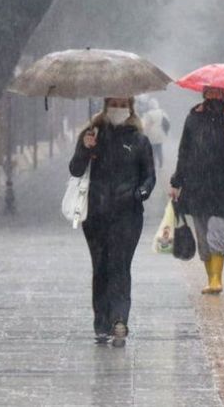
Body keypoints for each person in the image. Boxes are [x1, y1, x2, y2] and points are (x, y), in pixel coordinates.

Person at [69, 97, 155, 347]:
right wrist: (85, 148)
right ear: (106, 106)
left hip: (127, 215)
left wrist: (140, 193)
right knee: (101, 267)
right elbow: (75, 169)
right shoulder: (92, 134)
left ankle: (119, 319)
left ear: (130, 107)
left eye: (122, 103)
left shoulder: (139, 140)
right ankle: (101, 322)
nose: (118, 108)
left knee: (120, 266)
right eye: (113, 103)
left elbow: (149, 176)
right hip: (95, 214)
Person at [169, 86, 224, 295]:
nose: (214, 96)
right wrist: (177, 182)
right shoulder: (193, 118)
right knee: (203, 237)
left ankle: (217, 279)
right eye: (210, 92)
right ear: (204, 93)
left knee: (217, 231)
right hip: (196, 185)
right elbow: (184, 152)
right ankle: (210, 278)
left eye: (218, 92)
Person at [140, 98, 170, 168]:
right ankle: (161, 163)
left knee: (153, 150)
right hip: (160, 133)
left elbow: (145, 124)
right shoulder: (162, 112)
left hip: (152, 134)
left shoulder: (149, 114)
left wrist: (144, 134)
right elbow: (167, 121)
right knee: (159, 149)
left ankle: (154, 164)